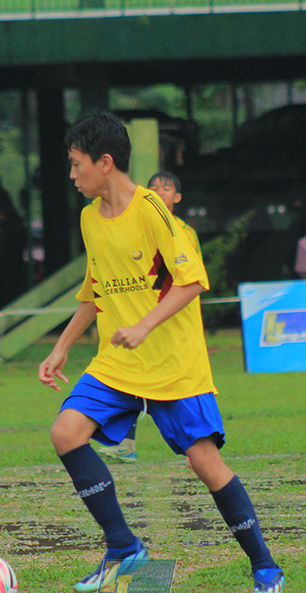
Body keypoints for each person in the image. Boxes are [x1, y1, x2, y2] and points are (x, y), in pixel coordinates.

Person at [38, 111, 283, 593]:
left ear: (105, 162)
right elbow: (95, 292)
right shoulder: (90, 218)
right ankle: (123, 547)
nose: (71, 175)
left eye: (76, 164)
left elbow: (192, 282)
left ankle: (266, 567)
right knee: (66, 432)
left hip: (172, 361)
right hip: (119, 360)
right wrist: (61, 348)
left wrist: (145, 324)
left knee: (204, 463)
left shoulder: (152, 210)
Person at [99, 171, 204, 463]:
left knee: (175, 385)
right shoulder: (140, 224)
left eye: (166, 188)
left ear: (177, 197)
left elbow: (188, 280)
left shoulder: (183, 232)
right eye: (153, 187)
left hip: (168, 319)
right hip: (142, 318)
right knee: (130, 375)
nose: (158, 191)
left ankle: (195, 445)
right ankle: (124, 443)